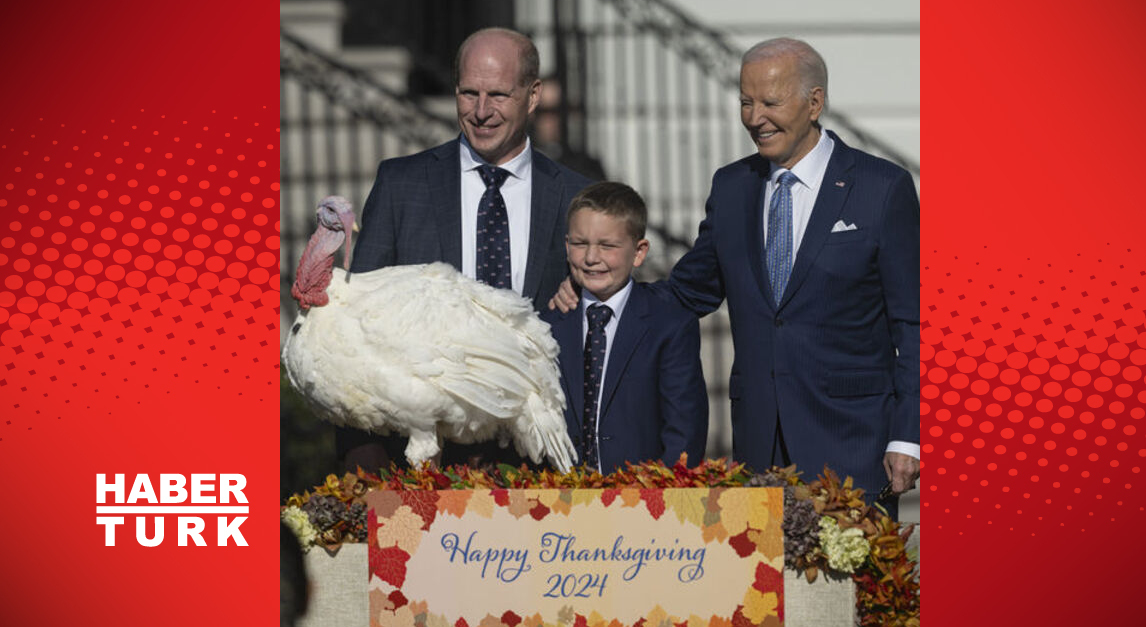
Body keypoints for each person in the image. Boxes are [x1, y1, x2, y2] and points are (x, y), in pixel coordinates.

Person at [552, 38, 919, 512]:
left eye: (770, 101)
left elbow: (914, 326)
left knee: (854, 587)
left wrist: (907, 436)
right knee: (768, 586)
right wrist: (596, 289)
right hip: (760, 447)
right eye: (746, 102)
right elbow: (686, 292)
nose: (754, 117)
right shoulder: (733, 186)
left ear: (814, 102)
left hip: (853, 441)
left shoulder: (881, 188)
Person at [343, 27, 591, 472]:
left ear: (533, 96)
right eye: (468, 93)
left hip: (541, 463)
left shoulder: (578, 198)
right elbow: (355, 332)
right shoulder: (403, 186)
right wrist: (364, 475)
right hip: (421, 463)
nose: (480, 111)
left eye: (497, 94)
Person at [541, 182, 707, 473]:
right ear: (567, 247)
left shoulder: (669, 323)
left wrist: (667, 497)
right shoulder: (548, 323)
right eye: (581, 244)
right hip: (560, 501)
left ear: (639, 252)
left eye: (607, 246)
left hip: (646, 500)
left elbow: (684, 429)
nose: (592, 258)